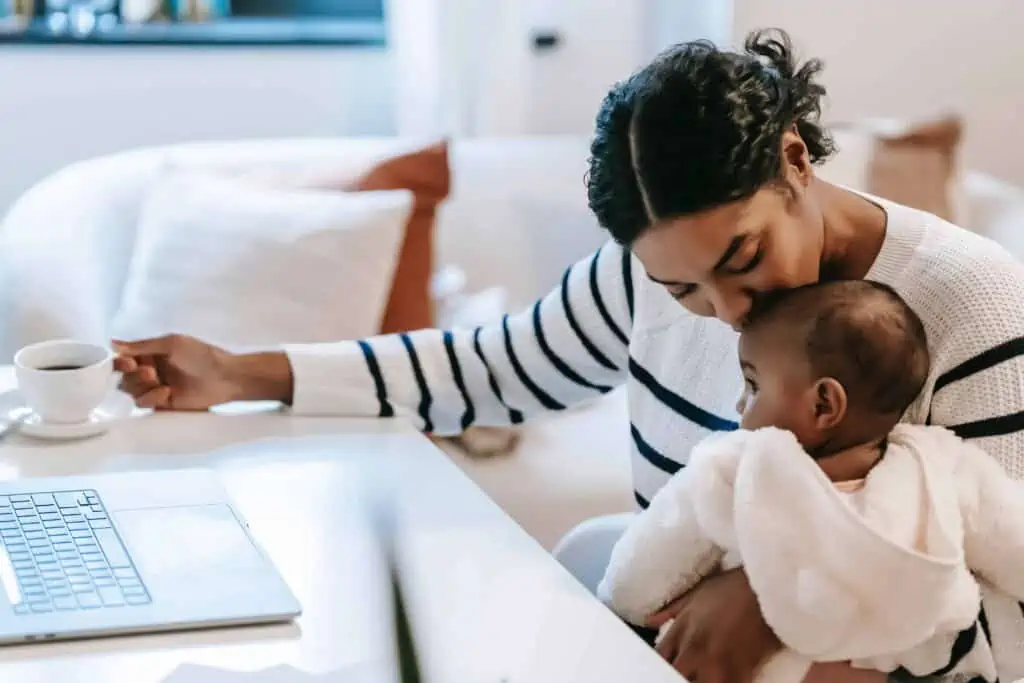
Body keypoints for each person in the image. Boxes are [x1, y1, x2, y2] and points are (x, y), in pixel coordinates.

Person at [114, 28, 1024, 683]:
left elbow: (1008, 633)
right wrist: (242, 373)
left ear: (794, 159)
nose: (726, 313)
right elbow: (490, 371)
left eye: (742, 260)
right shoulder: (638, 281)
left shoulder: (971, 304)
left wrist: (777, 602)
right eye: (683, 290)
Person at [600, 280, 1024, 683]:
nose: (739, 403)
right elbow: (1014, 548)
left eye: (753, 385)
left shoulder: (737, 469)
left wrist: (627, 604)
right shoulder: (944, 466)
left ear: (824, 404)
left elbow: (635, 585)